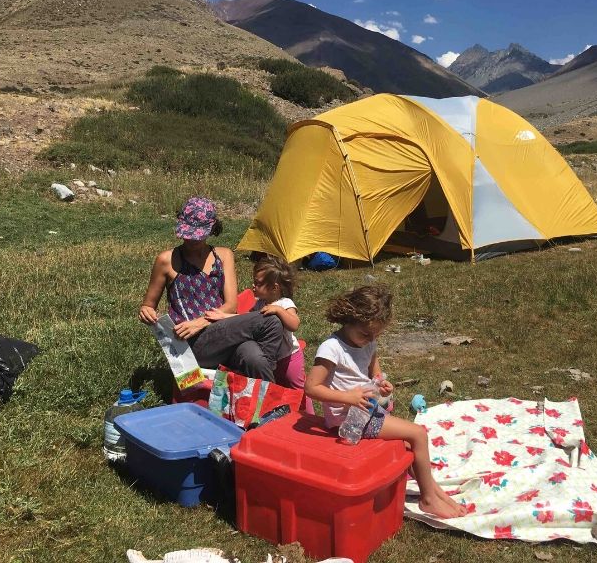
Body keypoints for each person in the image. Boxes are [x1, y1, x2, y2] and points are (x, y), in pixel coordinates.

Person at [304, 284, 466, 519]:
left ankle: (432, 489)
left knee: (410, 445)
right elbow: (311, 387)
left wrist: (381, 383)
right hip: (349, 421)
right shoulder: (332, 348)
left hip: (367, 410)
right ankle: (428, 499)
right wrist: (347, 397)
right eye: (365, 334)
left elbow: (374, 374)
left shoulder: (368, 342)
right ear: (349, 319)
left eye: (375, 335)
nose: (369, 340)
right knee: (418, 434)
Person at [138, 196, 284, 380]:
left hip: (222, 330)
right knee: (271, 320)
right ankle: (265, 385)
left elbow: (231, 306)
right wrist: (146, 312)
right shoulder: (167, 260)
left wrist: (201, 321)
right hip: (189, 343)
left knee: (254, 358)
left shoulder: (223, 256)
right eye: (188, 234)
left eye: (197, 236)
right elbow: (147, 305)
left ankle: (267, 404)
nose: (191, 240)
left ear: (211, 229)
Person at [205, 255, 313, 412]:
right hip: (271, 357)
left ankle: (307, 414)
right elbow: (246, 320)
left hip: (289, 358)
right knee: (278, 385)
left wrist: (279, 311)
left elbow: (294, 324)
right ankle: (284, 412)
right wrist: (223, 316)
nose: (253, 286)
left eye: (259, 283)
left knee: (298, 389)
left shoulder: (284, 303)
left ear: (275, 288)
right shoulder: (260, 303)